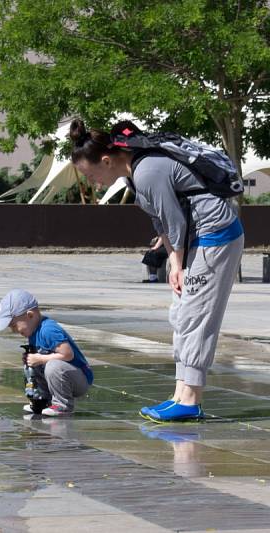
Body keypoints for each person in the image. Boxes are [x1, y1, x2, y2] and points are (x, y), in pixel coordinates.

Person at [68, 119, 244, 422]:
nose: (93, 182)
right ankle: (181, 394)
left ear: (107, 160)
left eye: (90, 174)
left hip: (215, 236)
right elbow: (162, 221)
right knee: (182, 313)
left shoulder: (147, 171)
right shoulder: (135, 176)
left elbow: (174, 222)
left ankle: (190, 400)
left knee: (195, 315)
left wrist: (176, 265)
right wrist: (173, 257)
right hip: (197, 239)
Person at [0, 289, 93, 417]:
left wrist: (41, 358)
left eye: (14, 325)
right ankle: (44, 401)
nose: (13, 330)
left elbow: (67, 354)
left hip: (79, 379)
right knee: (35, 363)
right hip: (65, 376)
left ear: (30, 315)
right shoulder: (33, 330)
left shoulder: (48, 330)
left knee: (52, 365)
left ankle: (63, 406)